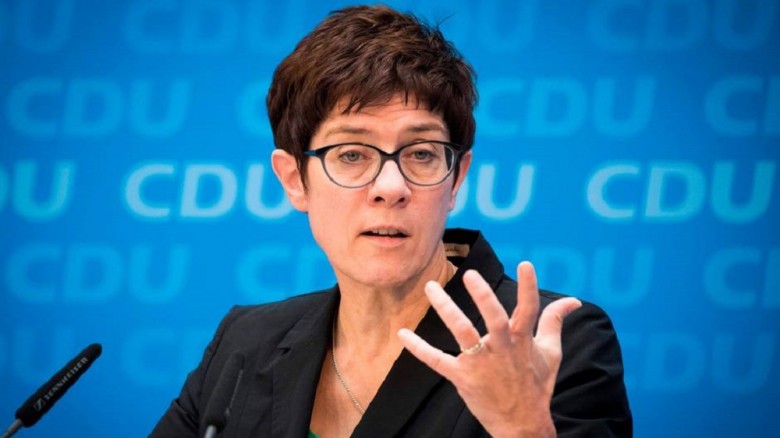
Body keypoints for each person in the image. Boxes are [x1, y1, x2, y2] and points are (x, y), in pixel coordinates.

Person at [151, 5, 632, 437]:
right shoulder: (245, 343)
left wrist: (523, 430)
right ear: (295, 180)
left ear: (456, 178)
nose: (390, 186)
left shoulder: (552, 344)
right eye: (351, 153)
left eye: (421, 153)